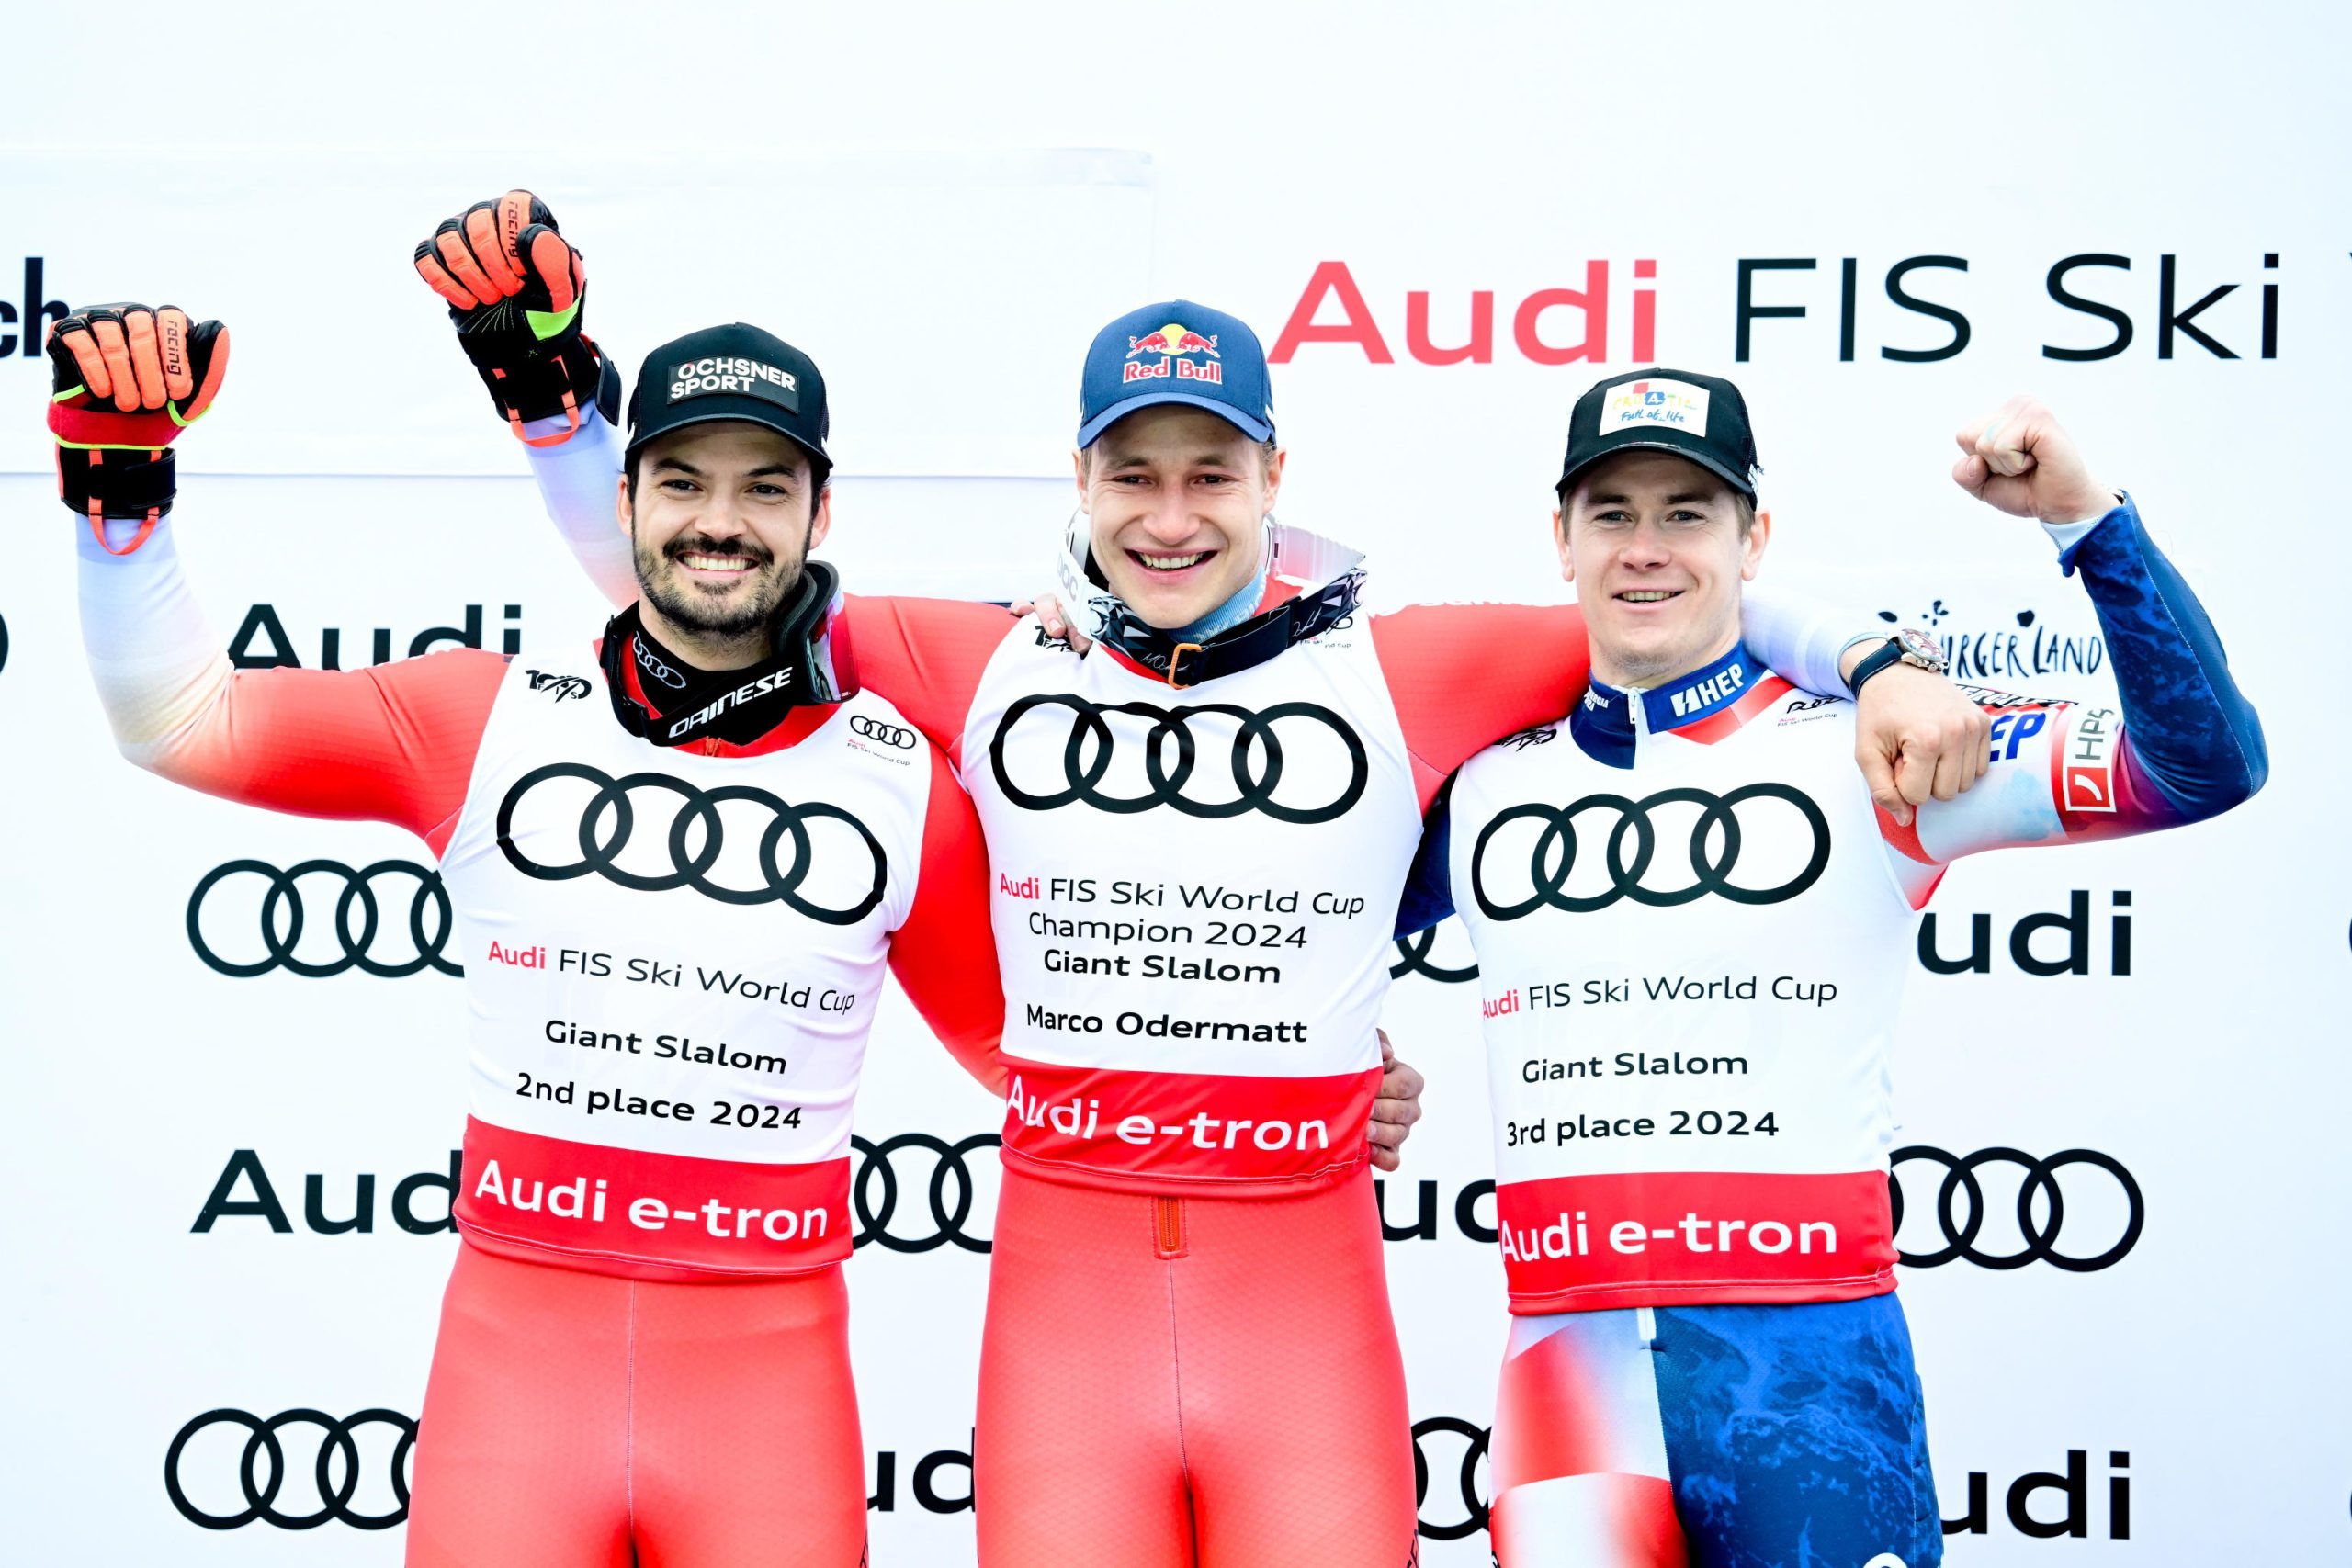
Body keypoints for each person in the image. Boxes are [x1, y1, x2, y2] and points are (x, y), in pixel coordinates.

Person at [438, 193, 1993, 1566]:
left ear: (1273, 475)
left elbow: (1665, 600)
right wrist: (562, 423)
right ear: (1080, 478)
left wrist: (1875, 659)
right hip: (1070, 1341)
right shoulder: (989, 659)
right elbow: (711, 594)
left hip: (1301, 1340)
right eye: (1134, 474)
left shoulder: (1405, 667)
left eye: (1210, 473)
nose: (1170, 516)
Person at [60, 296, 1008, 1567]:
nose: (720, 521)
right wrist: (121, 509)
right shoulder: (484, 719)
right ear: (624, 500)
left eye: (765, 487)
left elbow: (1033, 1059)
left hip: (766, 1404)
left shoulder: (903, 785)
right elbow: (179, 723)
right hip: (516, 1392)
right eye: (682, 481)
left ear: (818, 514)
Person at [1400, 368, 2267, 1567]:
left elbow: (2204, 764)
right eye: (1613, 514)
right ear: (1563, 539)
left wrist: (2087, 521)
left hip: (1812, 1380)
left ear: (1754, 538)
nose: (1646, 548)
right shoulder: (1486, 785)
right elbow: (1306, 929)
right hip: (1567, 1373)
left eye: (1687, 513)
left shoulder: (1874, 749)